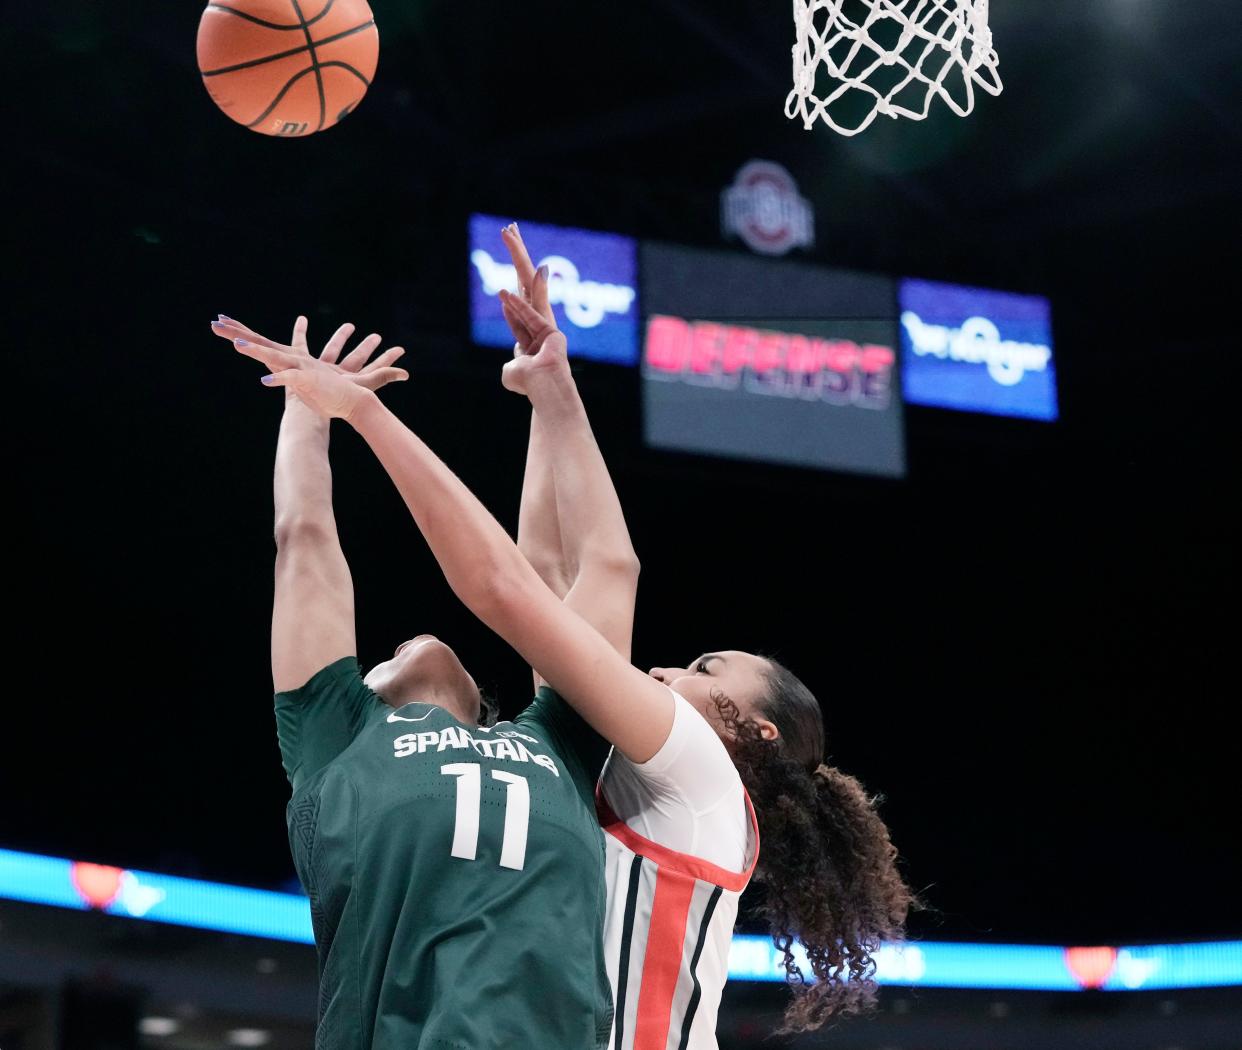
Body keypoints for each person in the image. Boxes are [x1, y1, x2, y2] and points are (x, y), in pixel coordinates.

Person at [229, 226, 915, 1044]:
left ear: (755, 731)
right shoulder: (584, 761)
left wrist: (364, 415)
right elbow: (557, 572)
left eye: (705, 667)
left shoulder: (701, 781)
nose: (664, 665)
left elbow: (521, 587)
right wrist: (549, 388)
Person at [211, 314, 613, 1049]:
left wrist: (552, 399)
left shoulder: (558, 742)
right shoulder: (338, 735)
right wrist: (307, 410)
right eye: (386, 655)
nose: (408, 639)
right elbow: (304, 540)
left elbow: (557, 577)